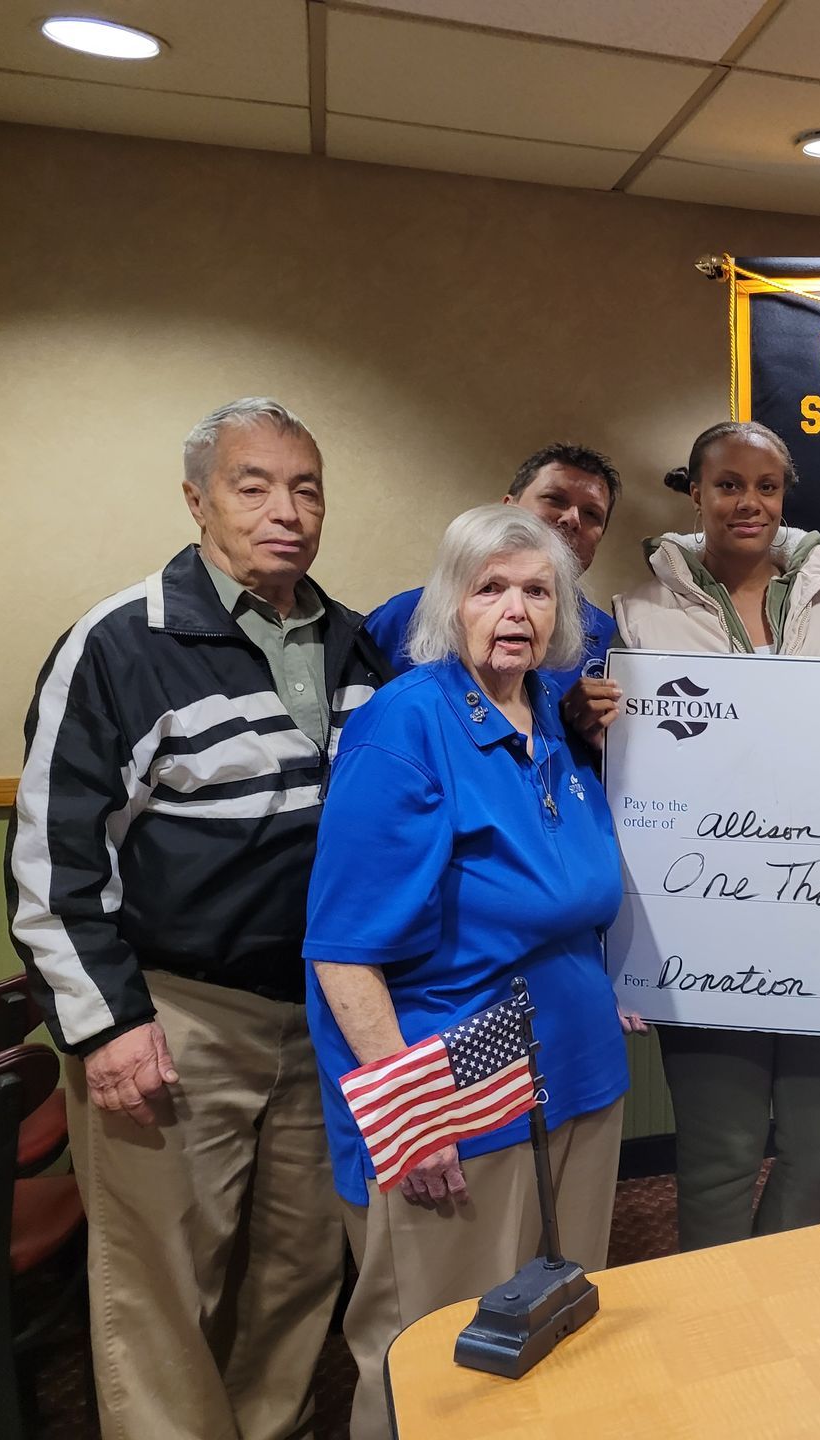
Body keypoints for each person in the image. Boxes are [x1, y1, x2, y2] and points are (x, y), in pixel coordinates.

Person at [4, 397, 384, 1440]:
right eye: (253, 485)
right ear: (197, 500)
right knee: (162, 1288)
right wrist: (111, 1026)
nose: (286, 510)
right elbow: (51, 864)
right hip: (175, 1018)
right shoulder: (122, 643)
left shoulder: (356, 645)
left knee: (298, 1271)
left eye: (306, 488)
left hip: (319, 1014)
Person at [304, 505, 630, 1440]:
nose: (515, 609)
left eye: (538, 590)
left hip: (577, 1075)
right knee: (438, 1350)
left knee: (561, 1326)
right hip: (456, 1089)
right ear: (450, 602)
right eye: (490, 588)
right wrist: (413, 1118)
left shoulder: (550, 725)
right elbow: (343, 950)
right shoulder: (407, 726)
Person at [609, 420, 820, 1251]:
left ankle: (760, 1289)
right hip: (701, 920)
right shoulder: (640, 612)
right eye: (728, 485)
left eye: (766, 486)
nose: (748, 502)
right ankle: (717, 1338)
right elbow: (626, 771)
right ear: (695, 492)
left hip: (818, 916)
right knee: (719, 1154)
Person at [365, 442, 622, 733]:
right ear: (508, 508)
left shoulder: (610, 642)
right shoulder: (405, 616)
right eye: (554, 499)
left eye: (592, 514)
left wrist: (588, 740)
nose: (572, 519)